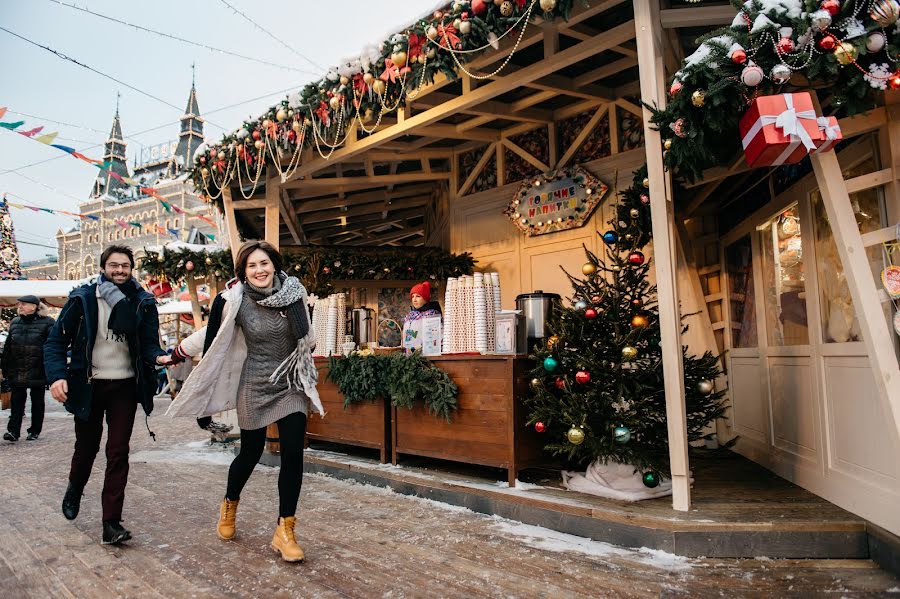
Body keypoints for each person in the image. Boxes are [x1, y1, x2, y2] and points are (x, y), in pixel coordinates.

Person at [167, 240, 323, 563]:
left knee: (293, 453)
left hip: (290, 381)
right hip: (254, 383)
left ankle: (285, 530)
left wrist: (299, 316)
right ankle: (229, 503)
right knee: (250, 453)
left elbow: (309, 337)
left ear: (274, 265)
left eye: (264, 263)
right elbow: (210, 339)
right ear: (244, 272)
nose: (259, 270)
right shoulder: (233, 301)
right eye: (252, 265)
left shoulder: (295, 293)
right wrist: (178, 352)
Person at [44, 245, 173, 545]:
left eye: (125, 266)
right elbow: (55, 342)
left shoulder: (142, 302)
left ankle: (111, 522)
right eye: (113, 265)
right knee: (86, 449)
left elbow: (149, 344)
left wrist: (160, 358)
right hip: (88, 385)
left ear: (131, 269)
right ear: (103, 268)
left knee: (118, 452)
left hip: (124, 388)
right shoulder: (83, 298)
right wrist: (57, 377)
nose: (119, 270)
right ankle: (75, 487)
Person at [1, 295, 54, 442]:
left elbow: (52, 347)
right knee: (17, 402)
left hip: (38, 369)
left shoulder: (48, 323)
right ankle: (13, 431)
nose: (21, 306)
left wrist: (50, 370)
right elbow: (8, 348)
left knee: (37, 402)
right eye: (20, 304)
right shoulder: (15, 322)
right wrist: (5, 368)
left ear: (34, 306)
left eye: (24, 304)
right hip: (17, 369)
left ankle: (35, 430)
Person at [402, 281, 442, 352]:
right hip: (410, 354)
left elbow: (436, 336)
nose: (414, 300)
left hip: (427, 353)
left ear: (425, 299)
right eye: (412, 296)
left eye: (418, 296)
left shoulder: (432, 314)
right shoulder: (409, 316)